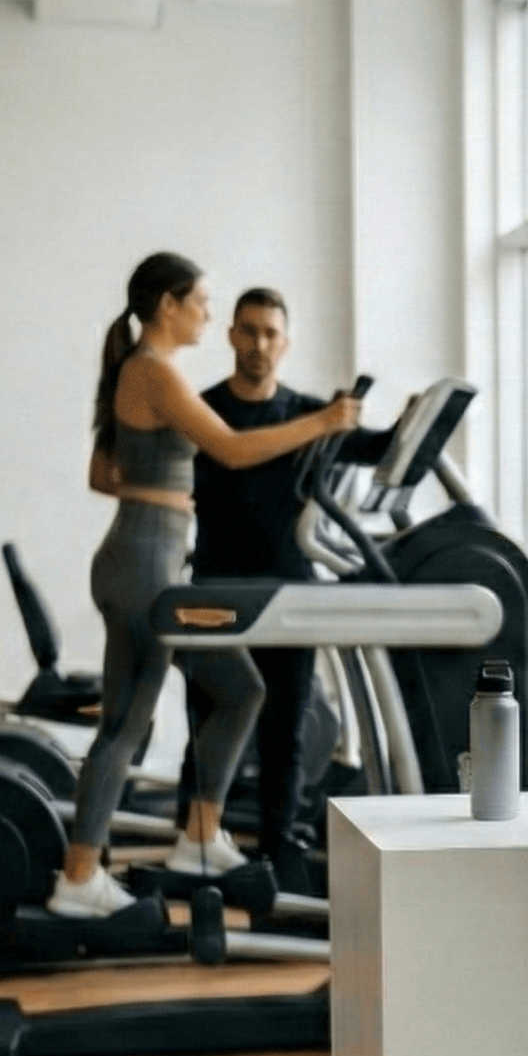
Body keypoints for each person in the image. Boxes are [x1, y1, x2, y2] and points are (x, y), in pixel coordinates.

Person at [50, 253, 359, 918]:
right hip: (144, 563)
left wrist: (161, 493)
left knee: (233, 691)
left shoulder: (140, 369)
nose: (208, 315)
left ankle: (195, 837)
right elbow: (233, 450)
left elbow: (103, 476)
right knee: (133, 723)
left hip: (142, 552)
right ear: (169, 305)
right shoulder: (155, 370)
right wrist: (325, 420)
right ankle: (80, 878)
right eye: (201, 302)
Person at [183, 287, 387, 885]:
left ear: (286, 343)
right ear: (231, 335)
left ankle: (278, 846)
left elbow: (377, 449)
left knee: (285, 728)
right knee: (208, 723)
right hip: (217, 590)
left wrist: (415, 418)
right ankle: (195, 843)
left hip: (289, 591)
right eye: (249, 331)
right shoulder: (205, 411)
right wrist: (325, 422)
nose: (259, 344)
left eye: (270, 333)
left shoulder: (307, 411)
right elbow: (232, 454)